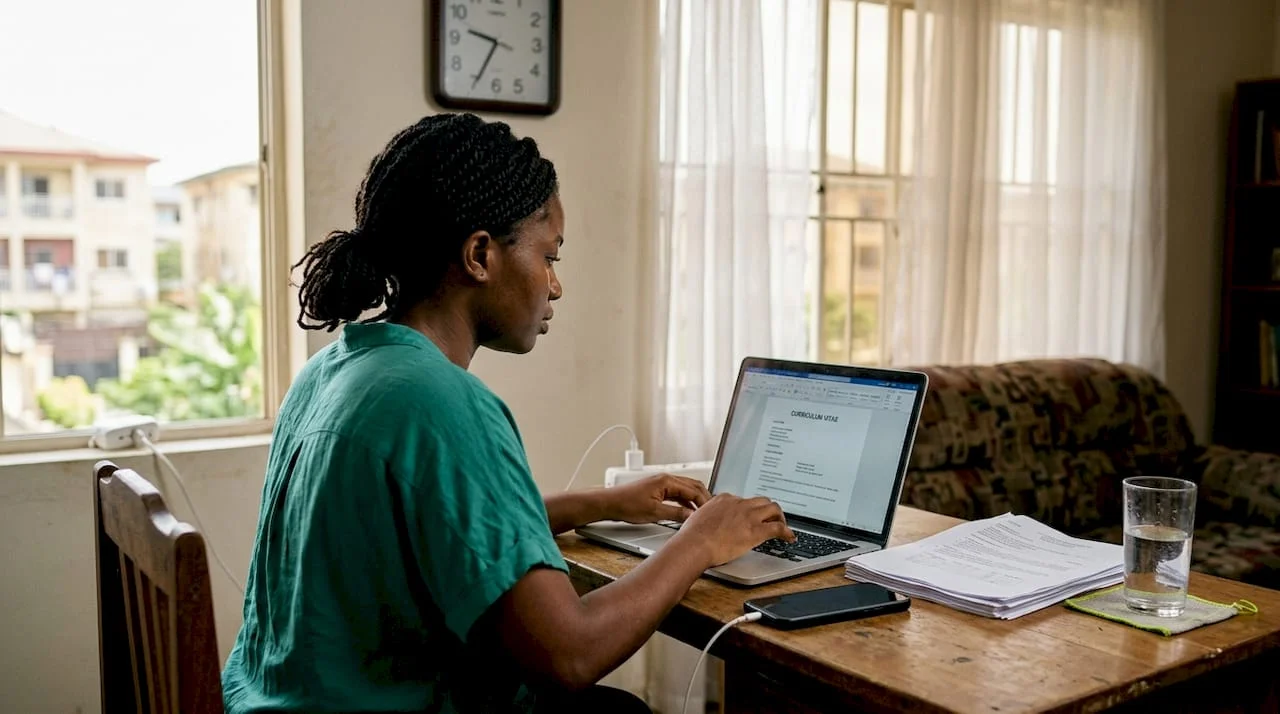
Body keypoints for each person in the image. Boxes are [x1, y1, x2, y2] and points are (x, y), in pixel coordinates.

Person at [221, 113, 795, 713]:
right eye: (550, 256)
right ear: (478, 255)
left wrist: (601, 503)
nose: (555, 285)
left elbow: (438, 527)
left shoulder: (337, 370)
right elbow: (568, 655)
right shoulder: (441, 404)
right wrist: (702, 541)